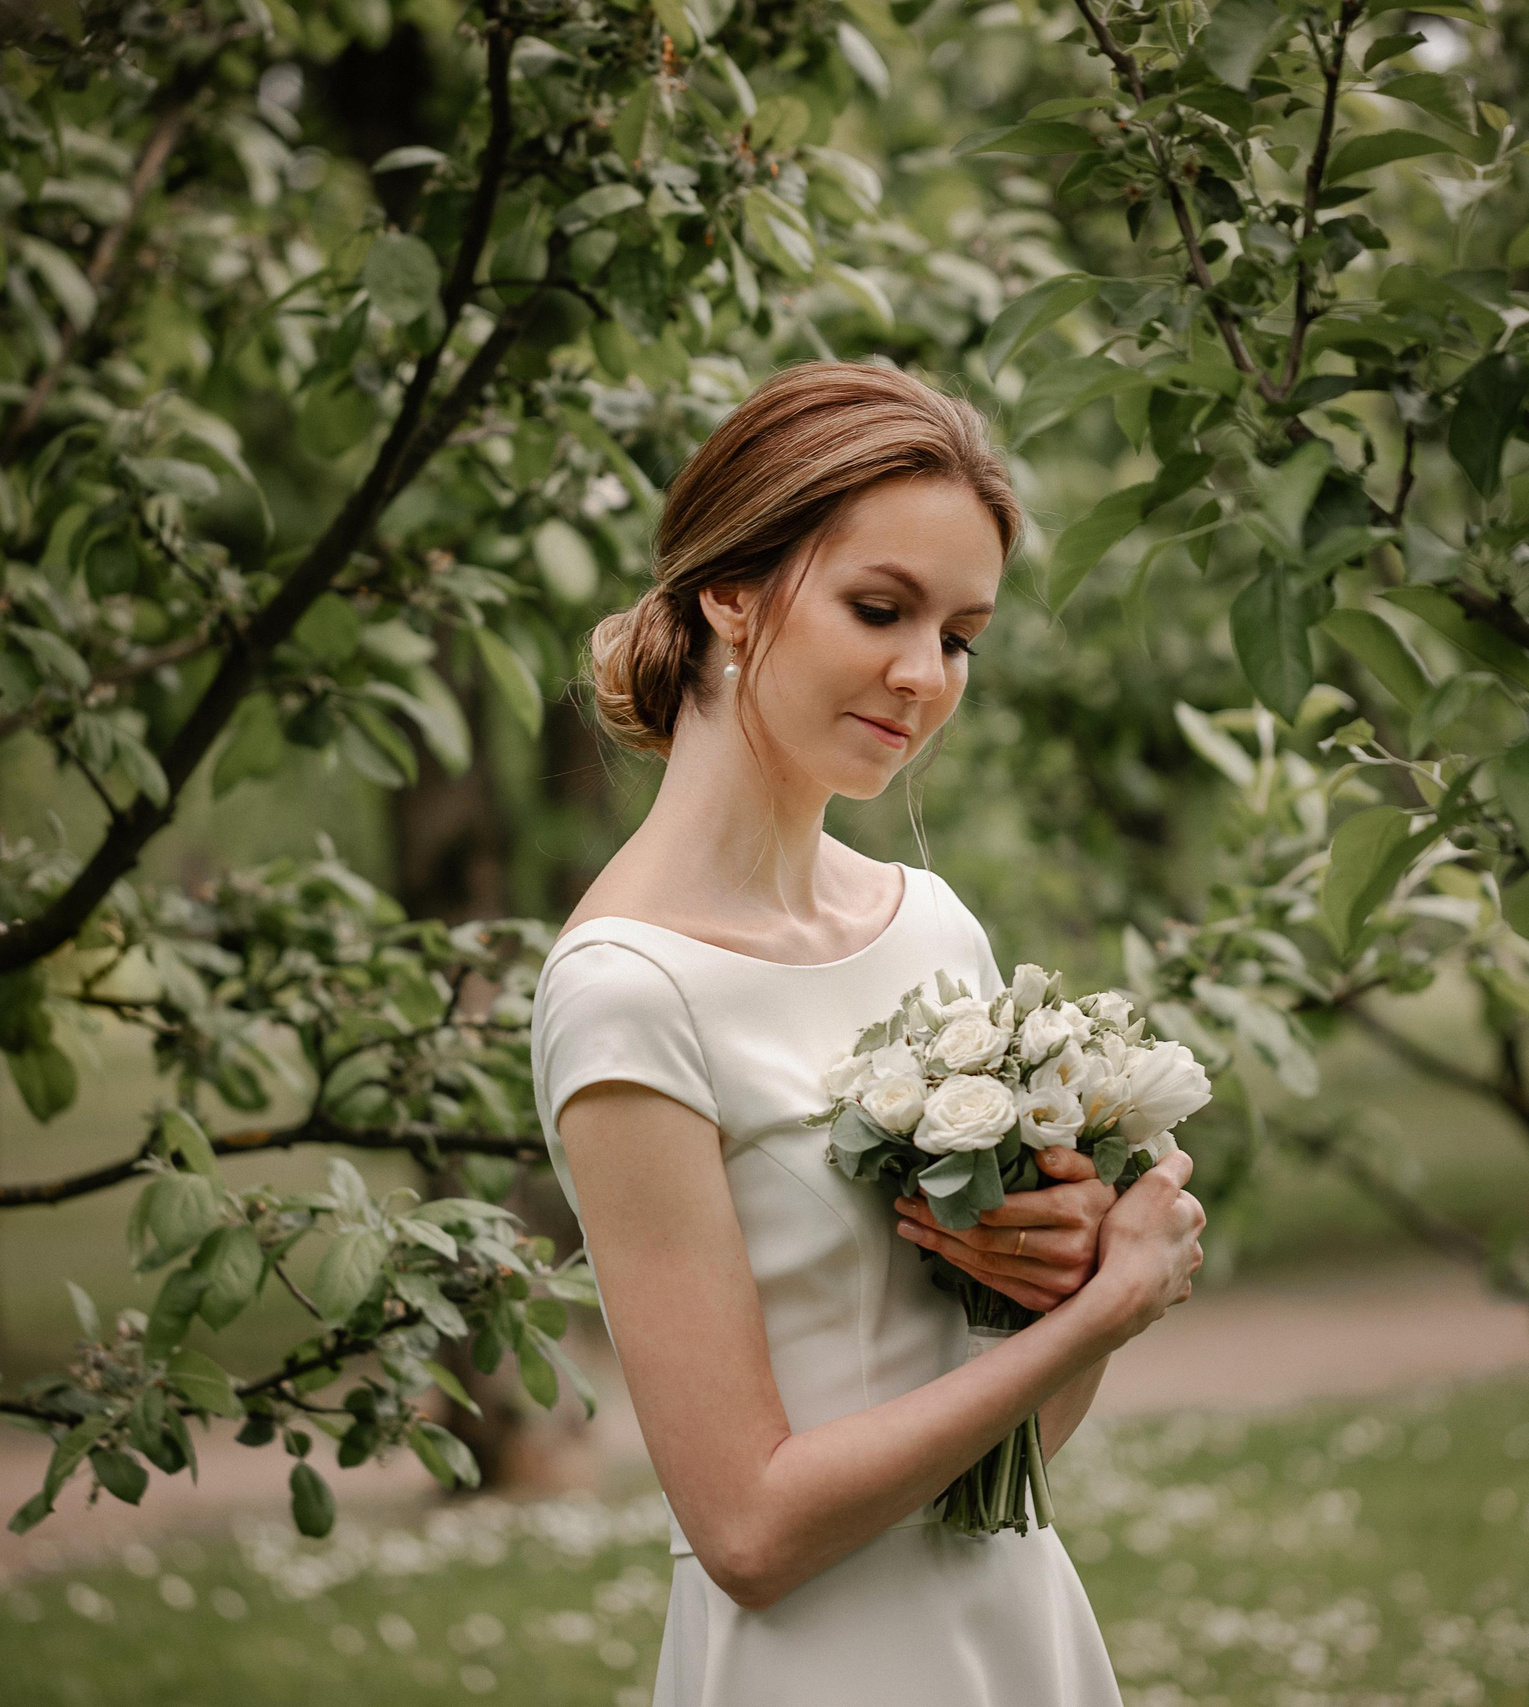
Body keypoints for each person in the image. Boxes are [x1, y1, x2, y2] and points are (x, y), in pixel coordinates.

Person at [527, 361, 1206, 1706]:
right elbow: (751, 1535)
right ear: (729, 589)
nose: (922, 675)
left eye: (960, 634)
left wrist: (1077, 1281)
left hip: (1013, 1634)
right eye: (879, 609)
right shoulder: (628, 996)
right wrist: (1101, 1317)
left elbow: (1014, 1440)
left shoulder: (935, 929)